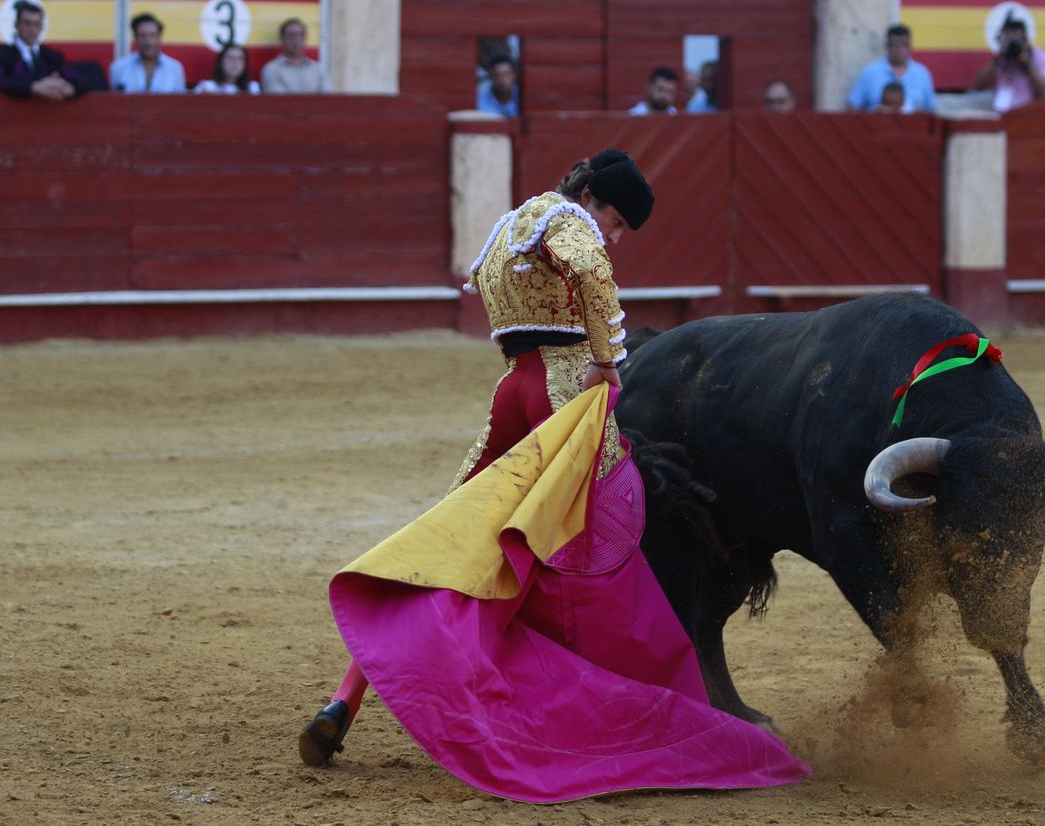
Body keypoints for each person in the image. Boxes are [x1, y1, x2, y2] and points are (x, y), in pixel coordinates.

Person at [299, 151, 809, 801]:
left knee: (451, 543)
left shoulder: (509, 227)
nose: (613, 238)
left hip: (511, 391)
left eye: (621, 229)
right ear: (589, 194)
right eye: (616, 220)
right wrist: (608, 362)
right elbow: (592, 271)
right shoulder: (569, 221)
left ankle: (343, 699)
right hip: (563, 396)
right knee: (585, 554)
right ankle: (627, 711)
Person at [0, 0, 89, 99]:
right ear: (16, 25)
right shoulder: (0, 54)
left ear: (42, 27)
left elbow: (81, 80)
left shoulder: (52, 56)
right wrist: (32, 87)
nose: (32, 29)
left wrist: (70, 89)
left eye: (36, 24)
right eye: (27, 23)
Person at [971, 16, 1045, 112]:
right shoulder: (1000, 59)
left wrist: (1027, 64)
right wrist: (998, 58)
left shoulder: (1043, 58)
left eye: (1016, 41)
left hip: (1030, 113)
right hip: (1000, 112)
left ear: (1026, 39)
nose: (1013, 45)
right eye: (1009, 41)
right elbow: (977, 88)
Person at [846, 23, 936, 112]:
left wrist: (918, 115)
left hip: (913, 126)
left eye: (903, 45)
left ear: (910, 46)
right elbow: (852, 107)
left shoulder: (922, 74)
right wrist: (872, 116)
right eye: (894, 45)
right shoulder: (871, 72)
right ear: (886, 46)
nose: (898, 49)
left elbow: (931, 111)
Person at [110, 12, 186, 92]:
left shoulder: (174, 68)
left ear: (159, 37)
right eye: (143, 35)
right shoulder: (119, 67)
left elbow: (179, 102)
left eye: (152, 35)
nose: (148, 41)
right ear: (135, 37)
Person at [259, 16, 330, 93]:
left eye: (300, 35)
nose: (296, 39)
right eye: (291, 35)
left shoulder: (318, 69)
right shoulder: (272, 70)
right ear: (282, 39)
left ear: (305, 39)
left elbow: (331, 98)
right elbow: (279, 101)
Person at [192, 41, 258, 93]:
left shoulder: (252, 89)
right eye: (231, 58)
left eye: (240, 59)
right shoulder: (206, 88)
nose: (235, 62)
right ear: (220, 62)